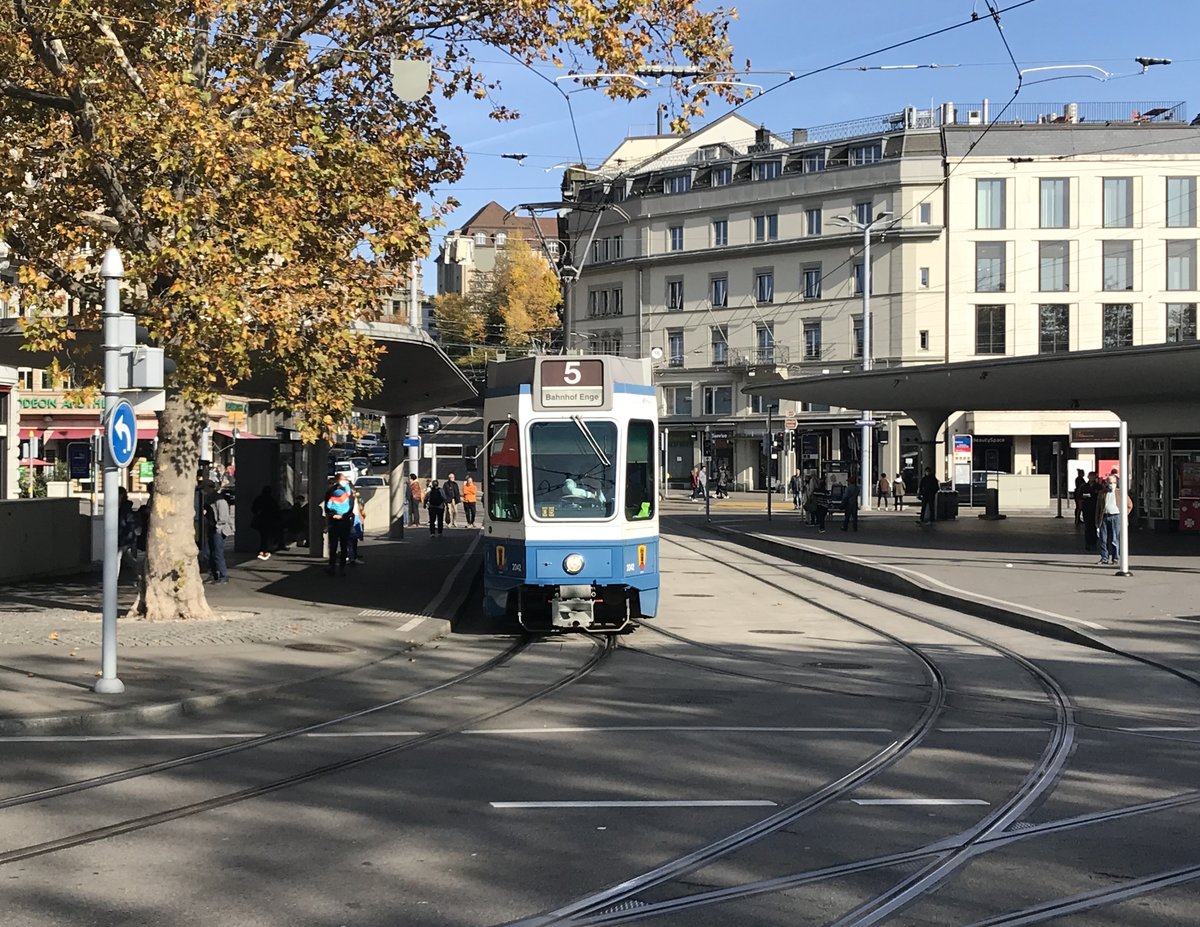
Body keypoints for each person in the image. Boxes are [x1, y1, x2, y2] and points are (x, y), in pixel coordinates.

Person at [1096, 471, 1132, 566]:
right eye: (1108, 482)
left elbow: (1129, 505)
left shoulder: (1120, 493)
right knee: (1103, 539)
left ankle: (1115, 558)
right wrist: (1097, 520)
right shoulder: (1102, 493)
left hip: (1116, 517)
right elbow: (1098, 507)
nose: (1110, 484)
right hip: (1104, 517)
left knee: (1114, 539)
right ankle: (1104, 558)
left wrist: (1124, 515)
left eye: (1112, 482)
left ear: (1116, 483)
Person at [324, 474, 354, 575]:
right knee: (334, 545)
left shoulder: (347, 491)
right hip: (338, 521)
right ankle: (333, 565)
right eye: (342, 479)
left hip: (341, 521)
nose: (343, 481)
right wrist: (336, 515)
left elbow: (351, 506)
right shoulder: (332, 491)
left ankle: (340, 566)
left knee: (342, 544)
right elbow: (327, 506)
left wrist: (340, 515)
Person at [203, 482, 232, 583]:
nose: (204, 490)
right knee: (207, 552)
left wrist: (218, 527)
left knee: (217, 553)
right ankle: (213, 573)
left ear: (211, 488)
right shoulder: (207, 499)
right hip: (210, 528)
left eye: (205, 488)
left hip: (218, 529)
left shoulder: (220, 500)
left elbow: (224, 517)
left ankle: (223, 575)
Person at [250, 485, 280, 561]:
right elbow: (276, 510)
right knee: (268, 535)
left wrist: (259, 513)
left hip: (261, 520)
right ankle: (266, 549)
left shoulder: (259, 499)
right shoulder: (271, 500)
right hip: (269, 520)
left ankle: (263, 549)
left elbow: (253, 509)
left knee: (263, 536)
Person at [1080, 471, 1100, 552]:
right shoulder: (1084, 486)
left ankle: (1094, 543)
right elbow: (1080, 495)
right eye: (1090, 476)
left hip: (1095, 508)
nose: (1091, 478)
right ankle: (1087, 543)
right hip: (1087, 508)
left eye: (1093, 476)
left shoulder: (1098, 486)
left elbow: (1101, 495)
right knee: (1088, 526)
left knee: (1095, 526)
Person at [348, 484, 366, 564]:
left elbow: (361, 511)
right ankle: (351, 557)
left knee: (354, 539)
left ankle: (353, 556)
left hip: (356, 519)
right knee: (350, 540)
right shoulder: (348, 499)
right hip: (350, 519)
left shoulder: (357, 500)